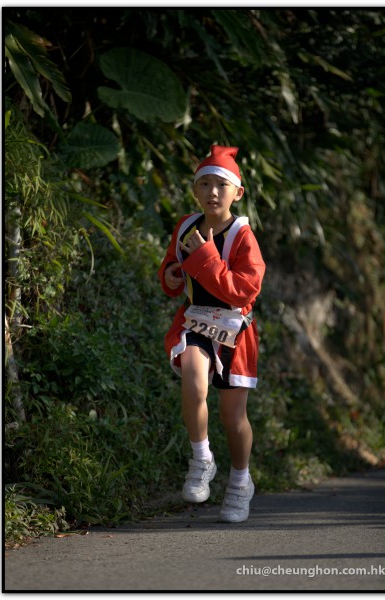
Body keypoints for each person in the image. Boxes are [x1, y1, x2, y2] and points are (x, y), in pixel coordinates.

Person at [158, 145, 266, 523]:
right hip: (196, 321)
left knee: (232, 418)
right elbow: (172, 270)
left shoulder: (242, 235)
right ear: (195, 190)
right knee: (192, 377)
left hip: (235, 330)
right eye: (204, 184)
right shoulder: (186, 227)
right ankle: (201, 458)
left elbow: (243, 291)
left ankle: (240, 481)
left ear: (238, 192)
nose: (212, 192)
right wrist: (172, 276)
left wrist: (205, 257)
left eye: (221, 185)